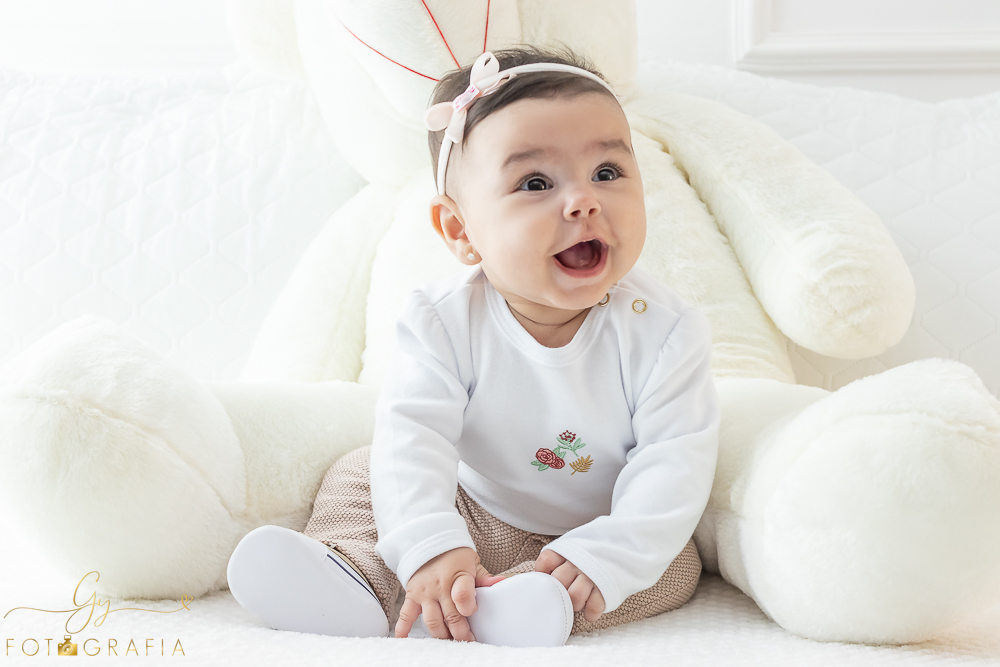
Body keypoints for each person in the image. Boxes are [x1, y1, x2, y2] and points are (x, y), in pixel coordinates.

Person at [227, 45, 720, 648]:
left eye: (607, 173)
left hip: (595, 528)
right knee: (364, 469)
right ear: (461, 231)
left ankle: (513, 603)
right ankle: (355, 576)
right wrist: (432, 541)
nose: (583, 200)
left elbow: (673, 466)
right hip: (470, 509)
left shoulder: (665, 331)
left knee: (670, 566)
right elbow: (417, 436)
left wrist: (609, 554)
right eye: (535, 183)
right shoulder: (443, 320)